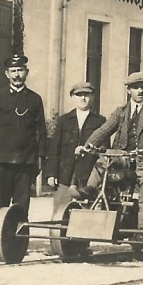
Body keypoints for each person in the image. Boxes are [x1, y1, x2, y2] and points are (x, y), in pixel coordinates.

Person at [82, 71, 143, 258]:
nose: (140, 91)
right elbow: (105, 129)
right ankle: (89, 190)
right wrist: (88, 145)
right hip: (123, 155)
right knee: (103, 159)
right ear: (129, 90)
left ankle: (141, 231)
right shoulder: (121, 111)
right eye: (136, 88)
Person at [0, 55, 48, 215]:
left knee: (22, 203)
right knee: (0, 202)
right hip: (1, 159)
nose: (17, 74)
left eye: (20, 70)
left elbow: (41, 130)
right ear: (7, 74)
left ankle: (19, 239)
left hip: (25, 160)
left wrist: (40, 157)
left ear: (27, 72)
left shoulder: (34, 99)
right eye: (13, 71)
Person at [44, 82, 105, 212]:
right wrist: (51, 173)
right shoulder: (64, 120)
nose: (83, 98)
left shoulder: (100, 121)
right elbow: (55, 148)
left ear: (92, 97)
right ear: (72, 97)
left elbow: (104, 151)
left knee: (86, 212)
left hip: (88, 176)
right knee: (60, 211)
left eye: (87, 95)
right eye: (79, 95)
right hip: (64, 174)